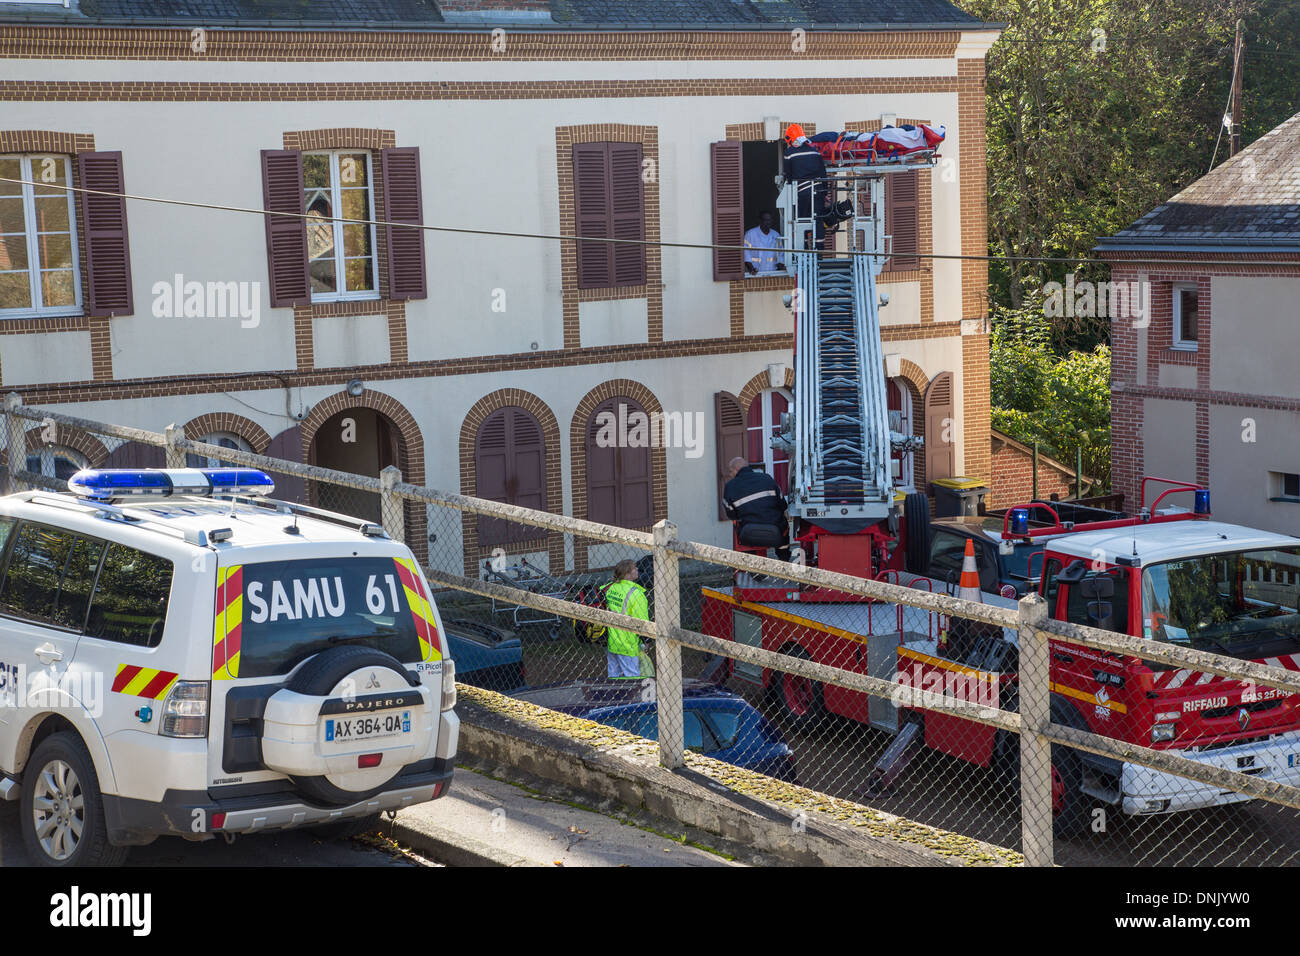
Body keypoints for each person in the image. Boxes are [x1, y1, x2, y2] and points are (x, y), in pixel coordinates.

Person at [722, 456, 791, 561]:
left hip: (749, 535)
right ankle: (784, 560)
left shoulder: (730, 486)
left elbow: (731, 514)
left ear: (736, 470)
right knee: (783, 527)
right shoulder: (766, 478)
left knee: (740, 527)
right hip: (775, 532)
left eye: (731, 471)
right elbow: (782, 504)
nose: (730, 475)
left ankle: (754, 569)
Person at [603, 558, 653, 680]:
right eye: (634, 568)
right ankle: (634, 699)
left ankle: (614, 698)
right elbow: (642, 622)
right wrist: (647, 641)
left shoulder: (609, 588)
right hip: (627, 643)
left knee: (614, 677)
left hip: (610, 641)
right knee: (632, 677)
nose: (637, 570)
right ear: (628, 574)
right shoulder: (636, 594)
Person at [782, 124, 829, 250]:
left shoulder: (789, 153)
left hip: (802, 193)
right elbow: (823, 173)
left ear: (790, 139)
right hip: (818, 191)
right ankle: (819, 249)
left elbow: (789, 176)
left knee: (801, 219)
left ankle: (803, 248)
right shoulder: (815, 151)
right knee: (818, 219)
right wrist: (824, 192)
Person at [743, 210, 787, 275]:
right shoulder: (750, 234)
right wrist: (751, 268)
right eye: (765, 220)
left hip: (773, 272)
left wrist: (781, 266)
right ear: (760, 221)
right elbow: (746, 253)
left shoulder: (776, 235)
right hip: (756, 272)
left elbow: (780, 254)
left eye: (769, 220)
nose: (768, 222)